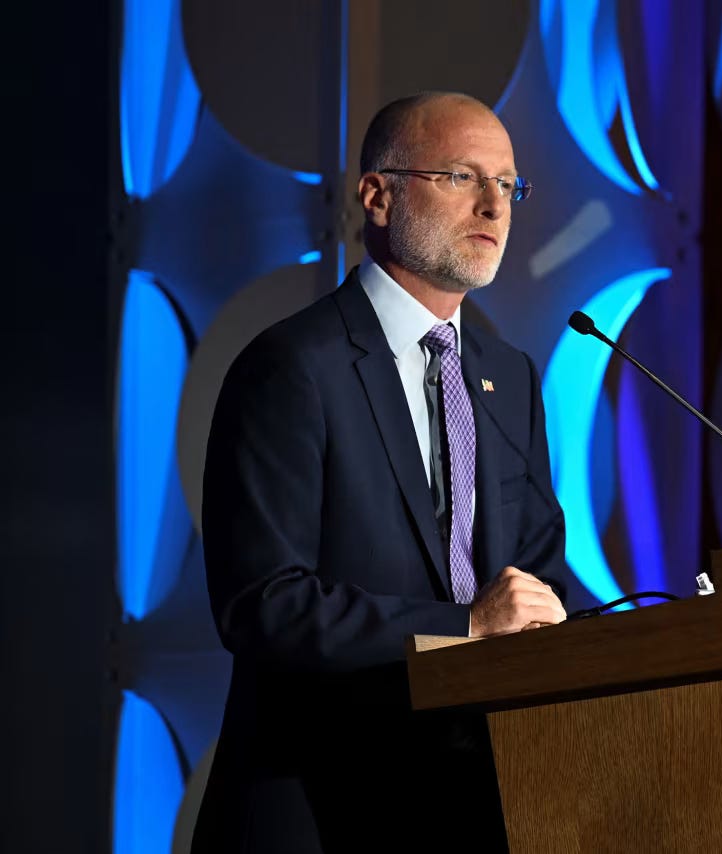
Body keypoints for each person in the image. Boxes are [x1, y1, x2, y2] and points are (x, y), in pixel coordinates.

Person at [192, 92, 569, 853]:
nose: (495, 206)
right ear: (377, 195)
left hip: (470, 805)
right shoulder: (291, 368)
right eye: (463, 177)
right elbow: (263, 604)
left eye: (509, 185)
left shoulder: (508, 376)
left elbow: (534, 580)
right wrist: (463, 627)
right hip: (322, 803)